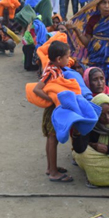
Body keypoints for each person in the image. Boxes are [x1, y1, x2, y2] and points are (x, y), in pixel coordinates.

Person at [33, 41, 74, 183]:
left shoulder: (55, 68)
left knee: (51, 138)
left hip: (54, 109)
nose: (68, 59)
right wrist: (52, 99)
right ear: (58, 59)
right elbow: (37, 89)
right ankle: (54, 173)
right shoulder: (51, 71)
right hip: (52, 110)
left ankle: (51, 167)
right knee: (53, 138)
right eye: (67, 57)